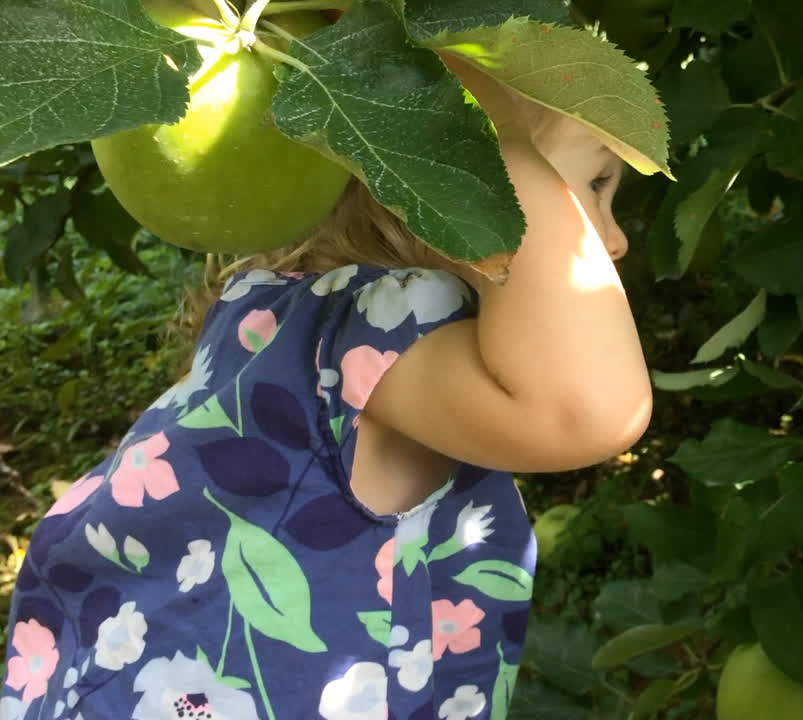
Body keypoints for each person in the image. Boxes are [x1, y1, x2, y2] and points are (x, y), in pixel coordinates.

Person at [0, 52, 653, 720]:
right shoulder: (374, 333)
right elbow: (590, 409)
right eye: (597, 183)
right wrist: (489, 145)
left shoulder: (279, 318)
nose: (620, 238)